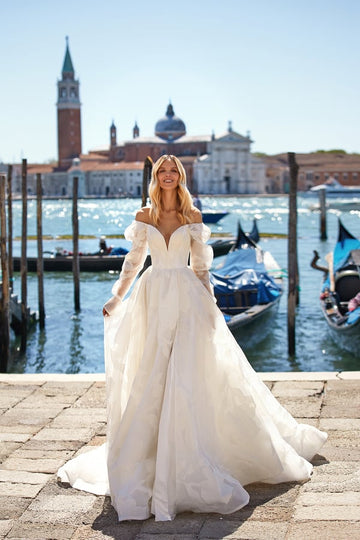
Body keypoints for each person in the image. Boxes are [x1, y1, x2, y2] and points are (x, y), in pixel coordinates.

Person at [58, 154, 327, 522]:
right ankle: (151, 455)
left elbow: (201, 268)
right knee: (152, 372)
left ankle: (190, 453)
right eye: (162, 172)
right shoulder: (144, 217)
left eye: (173, 171)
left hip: (187, 298)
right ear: (155, 178)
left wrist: (211, 304)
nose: (168, 176)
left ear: (181, 177)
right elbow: (133, 262)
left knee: (186, 373)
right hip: (152, 298)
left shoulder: (194, 218)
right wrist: (117, 296)